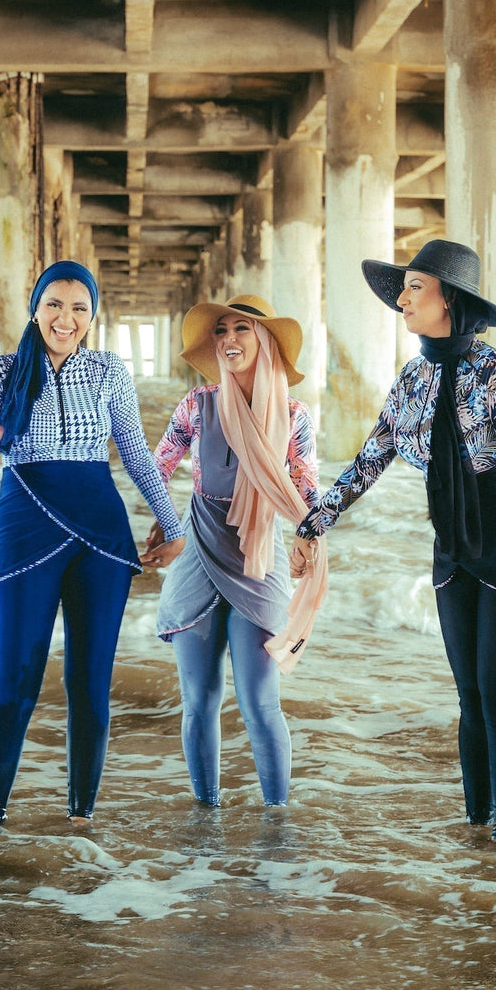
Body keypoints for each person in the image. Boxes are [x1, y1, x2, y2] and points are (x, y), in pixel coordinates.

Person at [291, 240, 496, 845]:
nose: (403, 298)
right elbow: (369, 460)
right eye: (405, 287)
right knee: (470, 699)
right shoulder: (413, 379)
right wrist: (313, 525)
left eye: (416, 287)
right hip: (453, 546)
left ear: (451, 302)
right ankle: (476, 835)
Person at [0, 261, 185, 826]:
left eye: (79, 307)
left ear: (93, 315)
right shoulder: (3, 371)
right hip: (23, 522)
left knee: (89, 684)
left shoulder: (109, 370)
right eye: (54, 304)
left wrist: (173, 526)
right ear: (35, 308)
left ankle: (81, 822)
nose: (66, 318)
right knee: (15, 681)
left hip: (99, 534)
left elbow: (133, 452)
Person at [147, 295, 321, 808]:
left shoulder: (293, 415)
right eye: (221, 331)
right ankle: (205, 820)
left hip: (259, 556)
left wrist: (308, 538)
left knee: (260, 703)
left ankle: (277, 824)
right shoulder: (196, 405)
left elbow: (306, 486)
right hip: (197, 547)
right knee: (198, 702)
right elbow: (154, 466)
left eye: (241, 329)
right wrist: (163, 524)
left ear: (264, 340)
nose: (229, 340)